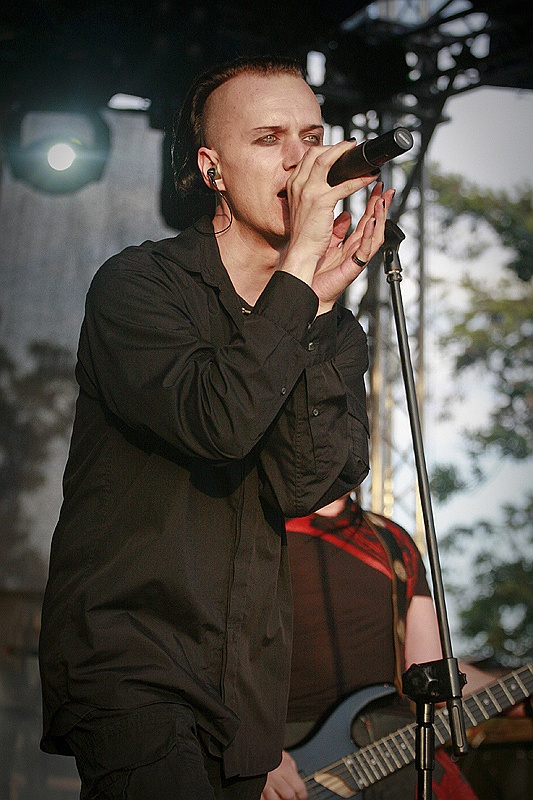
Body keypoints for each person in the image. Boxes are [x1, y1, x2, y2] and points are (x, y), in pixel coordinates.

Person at [38, 56, 395, 800]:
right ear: (213, 169)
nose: (302, 160)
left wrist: (319, 311)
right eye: (268, 139)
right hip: (132, 664)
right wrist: (301, 267)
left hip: (245, 690)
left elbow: (302, 483)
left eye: (312, 135)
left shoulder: (326, 321)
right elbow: (219, 422)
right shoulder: (141, 286)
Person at [261, 493, 505, 800]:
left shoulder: (391, 539)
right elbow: (208, 655)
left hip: (399, 750)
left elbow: (430, 667)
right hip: (293, 757)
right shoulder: (260, 529)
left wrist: (517, 694)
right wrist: (255, 750)